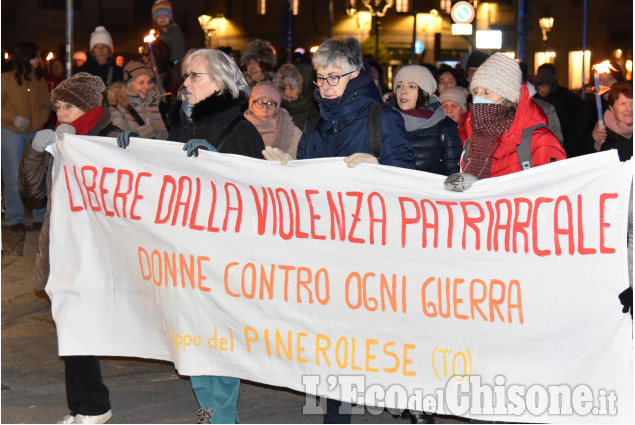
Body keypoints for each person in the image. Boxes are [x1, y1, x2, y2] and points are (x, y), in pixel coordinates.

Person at [121, 48, 265, 423]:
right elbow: (161, 175)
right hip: (184, 252)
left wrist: (218, 164)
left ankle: (223, 416)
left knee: (220, 338)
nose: (184, 83)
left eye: (194, 76)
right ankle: (208, 409)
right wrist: (129, 152)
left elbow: (258, 195)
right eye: (185, 76)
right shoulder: (184, 124)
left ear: (218, 83)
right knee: (193, 337)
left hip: (223, 257)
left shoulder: (241, 129)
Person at [19, 72, 120, 424]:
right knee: (70, 323)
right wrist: (36, 152)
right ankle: (87, 406)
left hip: (96, 248)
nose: (60, 113)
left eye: (69, 106)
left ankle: (92, 406)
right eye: (57, 106)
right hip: (63, 244)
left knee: (76, 323)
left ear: (89, 106)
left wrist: (91, 150)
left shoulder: (111, 137)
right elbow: (32, 191)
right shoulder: (59, 140)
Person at [446, 53, 566, 192]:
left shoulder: (539, 140)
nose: (478, 100)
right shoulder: (473, 137)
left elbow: (556, 193)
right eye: (475, 92)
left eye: (487, 92)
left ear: (508, 98)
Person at [1, 41, 50, 231]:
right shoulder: (5, 79)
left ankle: (39, 215)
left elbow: (47, 105)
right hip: (9, 131)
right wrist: (12, 118)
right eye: (36, 56)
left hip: (35, 133)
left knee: (36, 174)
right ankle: (15, 218)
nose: (39, 60)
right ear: (26, 58)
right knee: (13, 176)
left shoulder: (39, 81)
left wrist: (40, 120)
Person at [386, 64, 462, 176]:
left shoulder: (445, 128)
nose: (403, 91)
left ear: (424, 91)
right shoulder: (384, 121)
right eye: (399, 86)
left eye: (411, 86)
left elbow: (452, 176)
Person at [532, 63, 590, 157]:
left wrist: (576, 132)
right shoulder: (534, 100)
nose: (544, 89)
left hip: (567, 139)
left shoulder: (562, 95)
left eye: (546, 86)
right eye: (541, 86)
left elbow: (583, 108)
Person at [106, 60, 168, 140]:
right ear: (129, 84)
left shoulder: (154, 103)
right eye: (141, 82)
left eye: (149, 82)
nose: (147, 86)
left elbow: (163, 139)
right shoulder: (117, 110)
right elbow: (120, 140)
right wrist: (152, 128)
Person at [244, 82, 301, 158]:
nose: (265, 109)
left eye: (270, 103)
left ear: (277, 107)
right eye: (259, 102)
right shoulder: (241, 130)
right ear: (251, 105)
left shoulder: (292, 133)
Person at [590, 81, 632, 161]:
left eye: (633, 102)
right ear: (611, 108)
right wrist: (597, 144)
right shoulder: (602, 132)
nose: (629, 109)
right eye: (623, 104)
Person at [275, 63, 318, 130]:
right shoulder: (278, 113)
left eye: (292, 87)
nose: (286, 92)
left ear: (303, 89)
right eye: (284, 87)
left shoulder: (314, 120)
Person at [151, 0, 186, 65]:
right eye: (158, 17)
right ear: (155, 20)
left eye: (166, 16)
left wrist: (173, 62)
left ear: (170, 17)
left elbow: (179, 50)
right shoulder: (156, 33)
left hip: (174, 63)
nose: (162, 19)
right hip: (160, 64)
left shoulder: (175, 32)